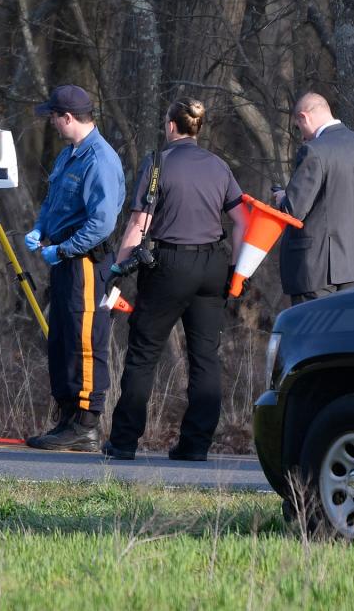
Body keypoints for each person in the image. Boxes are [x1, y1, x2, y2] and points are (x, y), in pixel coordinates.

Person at [102, 97, 249, 461]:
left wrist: (117, 269)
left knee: (143, 354)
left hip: (169, 265)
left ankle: (123, 442)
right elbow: (243, 222)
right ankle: (195, 445)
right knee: (205, 357)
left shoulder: (158, 165)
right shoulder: (219, 166)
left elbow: (139, 224)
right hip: (213, 266)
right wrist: (237, 271)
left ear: (171, 126)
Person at [24, 84, 124, 452]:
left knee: (84, 340)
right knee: (62, 338)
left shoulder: (100, 159)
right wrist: (41, 229)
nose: (50, 122)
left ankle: (85, 422)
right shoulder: (70, 155)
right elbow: (54, 202)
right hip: (64, 258)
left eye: (53, 116)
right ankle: (67, 418)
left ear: (68, 118)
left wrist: (64, 249)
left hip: (83, 261)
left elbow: (101, 223)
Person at [272, 92, 354, 305]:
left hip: (316, 269)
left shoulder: (314, 150)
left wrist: (283, 199)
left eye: (299, 127)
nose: (302, 136)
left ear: (304, 117)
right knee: (350, 335)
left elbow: (293, 210)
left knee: (314, 335)